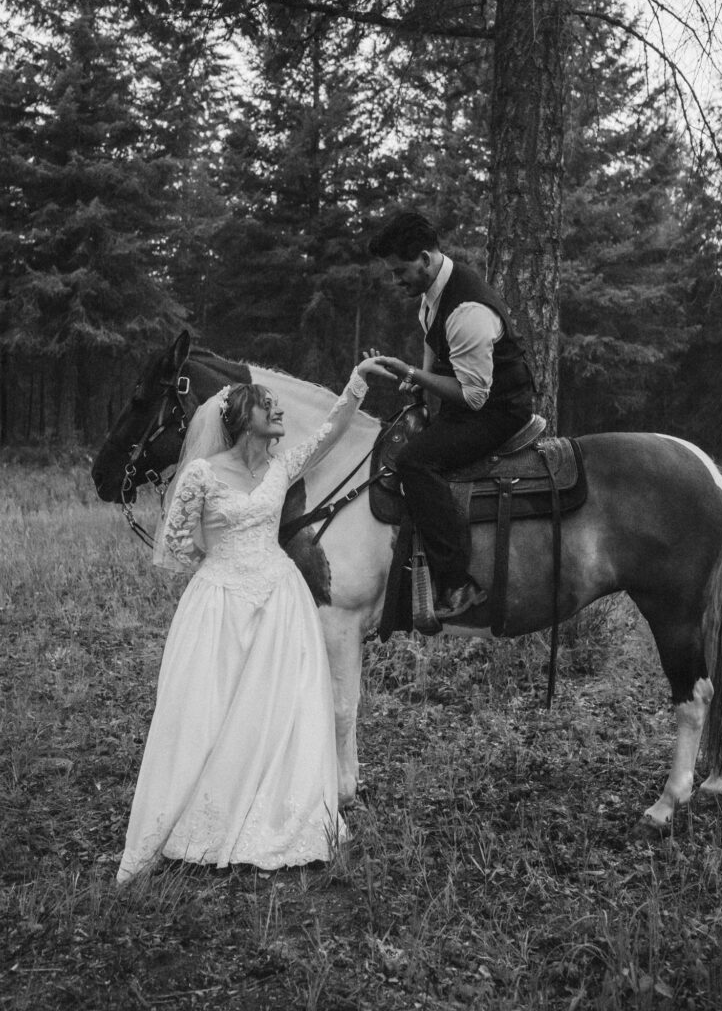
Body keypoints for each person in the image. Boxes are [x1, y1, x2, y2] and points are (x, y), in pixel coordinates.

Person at [116, 355, 394, 883]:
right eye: (270, 407)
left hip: (280, 601)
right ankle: (206, 811)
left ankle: (272, 807)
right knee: (212, 704)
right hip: (221, 600)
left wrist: (355, 385)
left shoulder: (282, 468)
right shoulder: (200, 474)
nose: (279, 412)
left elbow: (331, 434)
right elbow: (177, 544)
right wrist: (223, 562)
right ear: (246, 420)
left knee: (276, 706)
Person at [369, 212, 535, 619]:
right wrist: (419, 384)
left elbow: (475, 397)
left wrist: (410, 373)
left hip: (499, 410)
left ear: (425, 258)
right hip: (468, 401)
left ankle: (459, 583)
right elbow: (433, 347)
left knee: (415, 461)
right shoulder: (433, 293)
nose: (395, 281)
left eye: (400, 271)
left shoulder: (467, 312)